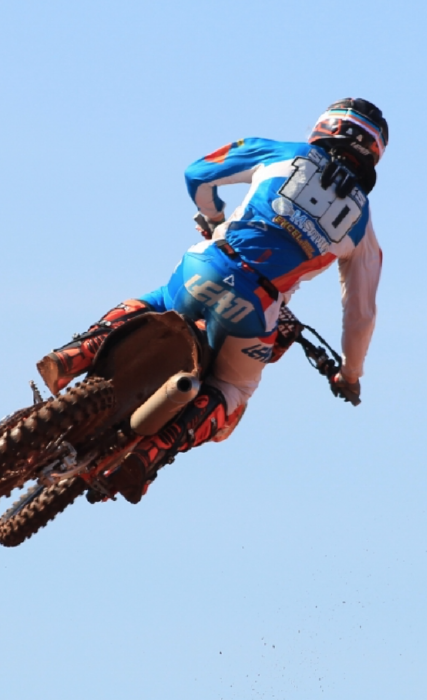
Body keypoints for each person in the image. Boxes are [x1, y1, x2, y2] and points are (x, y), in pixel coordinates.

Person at [36, 99, 387, 503]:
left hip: (207, 265)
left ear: (325, 127)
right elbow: (361, 314)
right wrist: (350, 374)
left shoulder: (279, 152)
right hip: (256, 305)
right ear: (374, 153)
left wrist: (215, 218)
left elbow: (197, 173)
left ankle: (77, 352)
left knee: (159, 301)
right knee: (234, 388)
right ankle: (150, 453)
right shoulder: (363, 226)